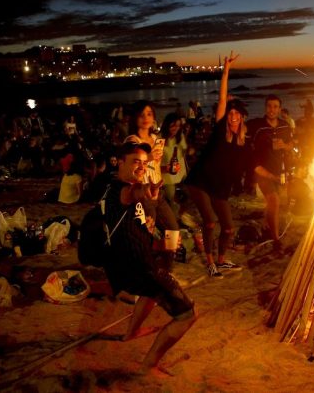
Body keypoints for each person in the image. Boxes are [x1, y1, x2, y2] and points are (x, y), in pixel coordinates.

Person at [102, 141, 196, 375]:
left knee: (151, 292)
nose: (142, 167)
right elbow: (133, 193)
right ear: (119, 162)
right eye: (136, 162)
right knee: (186, 315)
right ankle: (149, 365)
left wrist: (160, 243)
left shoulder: (112, 188)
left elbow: (138, 225)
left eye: (145, 163)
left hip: (125, 265)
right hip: (139, 268)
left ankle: (130, 333)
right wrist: (144, 192)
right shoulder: (124, 190)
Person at [184, 52, 249, 277]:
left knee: (229, 228)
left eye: (236, 115)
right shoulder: (220, 131)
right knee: (210, 222)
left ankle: (222, 260)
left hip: (220, 187)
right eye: (230, 114)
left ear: (242, 118)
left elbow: (239, 168)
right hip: (200, 180)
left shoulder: (242, 142)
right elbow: (222, 100)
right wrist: (226, 70)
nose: (232, 117)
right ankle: (210, 262)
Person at [126, 101, 181, 259]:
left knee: (173, 229)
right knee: (146, 234)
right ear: (135, 117)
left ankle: (167, 265)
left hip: (159, 192)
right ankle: (148, 265)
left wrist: (168, 169)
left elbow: (154, 167)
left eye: (149, 114)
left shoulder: (155, 138)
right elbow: (132, 166)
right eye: (142, 114)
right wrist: (149, 157)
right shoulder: (132, 140)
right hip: (143, 193)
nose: (146, 118)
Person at [247, 94, 293, 245]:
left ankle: (267, 226)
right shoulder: (257, 126)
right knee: (274, 201)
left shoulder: (285, 126)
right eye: (269, 106)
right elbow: (243, 133)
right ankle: (275, 238)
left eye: (275, 107)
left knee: (274, 203)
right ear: (265, 108)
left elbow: (291, 145)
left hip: (280, 172)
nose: (272, 110)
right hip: (262, 172)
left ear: (280, 109)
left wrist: (285, 146)